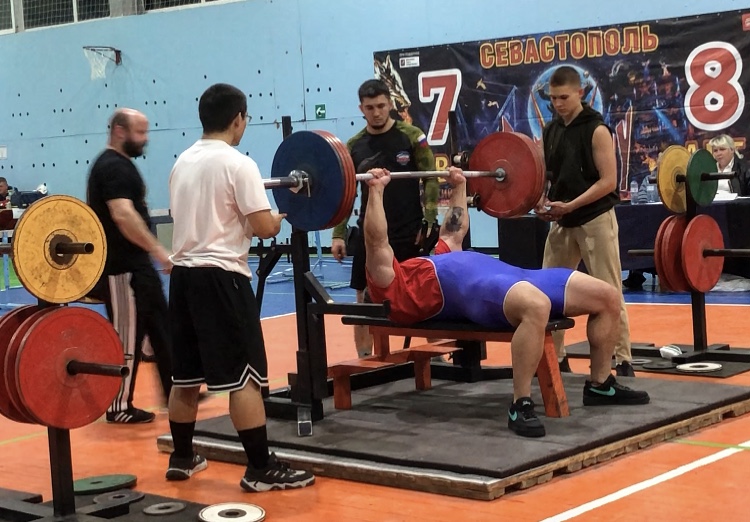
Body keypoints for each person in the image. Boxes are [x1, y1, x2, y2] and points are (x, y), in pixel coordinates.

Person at [363, 166, 650, 438]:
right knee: (536, 306)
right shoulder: (394, 289)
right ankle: (520, 405)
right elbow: (376, 241)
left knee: (607, 296)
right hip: (482, 289)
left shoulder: (433, 260)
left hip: (514, 275)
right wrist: (376, 191)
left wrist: (459, 184)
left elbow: (453, 230)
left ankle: (600, 384)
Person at [165, 83, 315, 492]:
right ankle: (260, 467)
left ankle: (182, 458)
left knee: (185, 377)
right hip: (222, 279)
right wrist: (279, 218)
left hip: (183, 277)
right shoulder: (239, 164)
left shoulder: (182, 162)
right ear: (238, 119)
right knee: (244, 377)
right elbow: (264, 227)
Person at [535, 65, 636, 377]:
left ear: (580, 93)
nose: (558, 104)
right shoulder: (550, 130)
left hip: (594, 217)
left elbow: (609, 182)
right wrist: (539, 201)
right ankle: (556, 357)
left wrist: (571, 205)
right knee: (548, 291)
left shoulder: (597, 129)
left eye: (564, 97)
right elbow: (546, 176)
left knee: (609, 290)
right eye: (553, 98)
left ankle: (622, 359)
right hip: (562, 219)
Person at [331, 78, 440, 358]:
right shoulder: (354, 146)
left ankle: (439, 356)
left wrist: (429, 220)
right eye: (370, 108)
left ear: (390, 104)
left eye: (381, 106)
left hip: (409, 230)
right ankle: (365, 359)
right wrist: (338, 234)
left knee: (424, 293)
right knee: (364, 298)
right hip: (369, 235)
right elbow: (346, 193)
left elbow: (430, 178)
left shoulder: (412, 136)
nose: (376, 112)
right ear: (361, 109)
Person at [86, 108, 173, 424]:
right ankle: (118, 405)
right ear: (120, 131)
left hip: (139, 266)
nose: (145, 139)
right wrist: (159, 251)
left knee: (162, 328)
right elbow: (123, 215)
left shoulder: (121, 165)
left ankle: (177, 390)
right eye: (140, 132)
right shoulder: (112, 167)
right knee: (127, 336)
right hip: (122, 269)